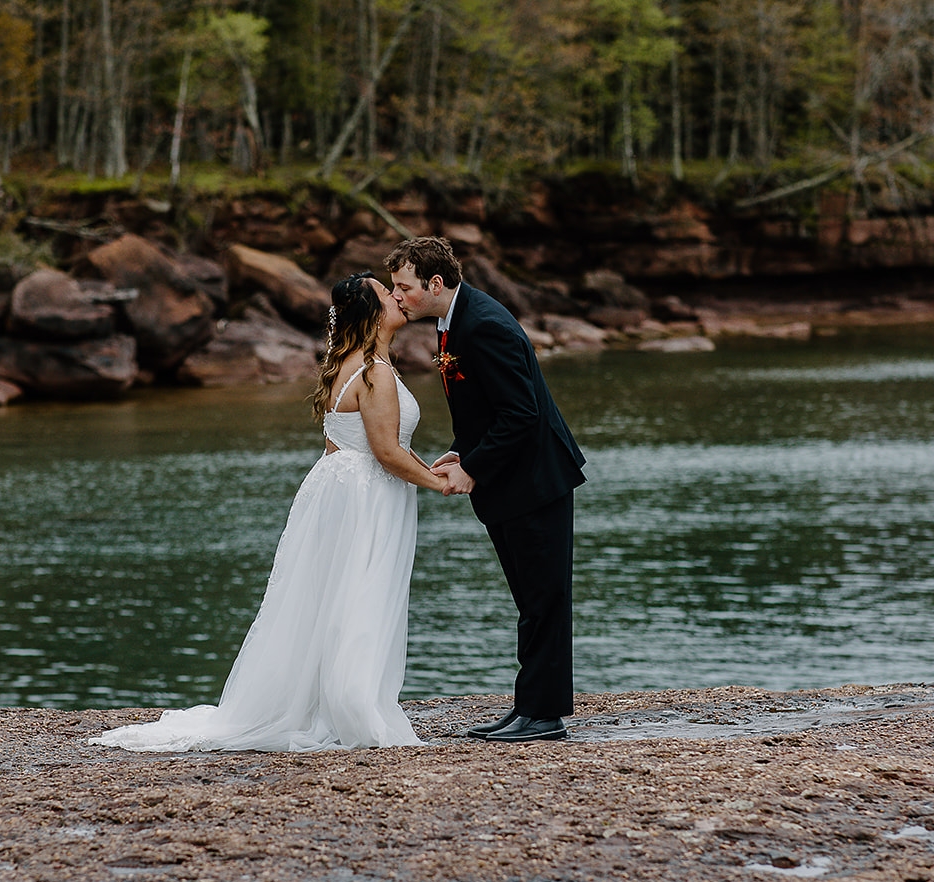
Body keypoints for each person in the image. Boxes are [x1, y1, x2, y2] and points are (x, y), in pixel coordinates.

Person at [86, 272, 446, 752]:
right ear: (371, 312)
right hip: (367, 495)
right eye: (388, 292)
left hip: (341, 488)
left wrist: (426, 466)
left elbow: (352, 443)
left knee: (334, 599)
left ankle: (331, 699)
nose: (399, 296)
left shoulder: (353, 363)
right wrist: (441, 483)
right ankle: (354, 705)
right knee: (360, 595)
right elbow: (385, 452)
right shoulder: (374, 372)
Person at [386, 237, 587, 743]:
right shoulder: (454, 319)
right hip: (512, 479)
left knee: (544, 597)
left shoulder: (484, 325)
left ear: (435, 283)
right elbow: (486, 407)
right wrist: (461, 450)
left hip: (534, 481)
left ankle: (543, 715)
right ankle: (530, 707)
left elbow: (523, 414)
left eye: (403, 286)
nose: (397, 296)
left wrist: (473, 466)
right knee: (531, 598)